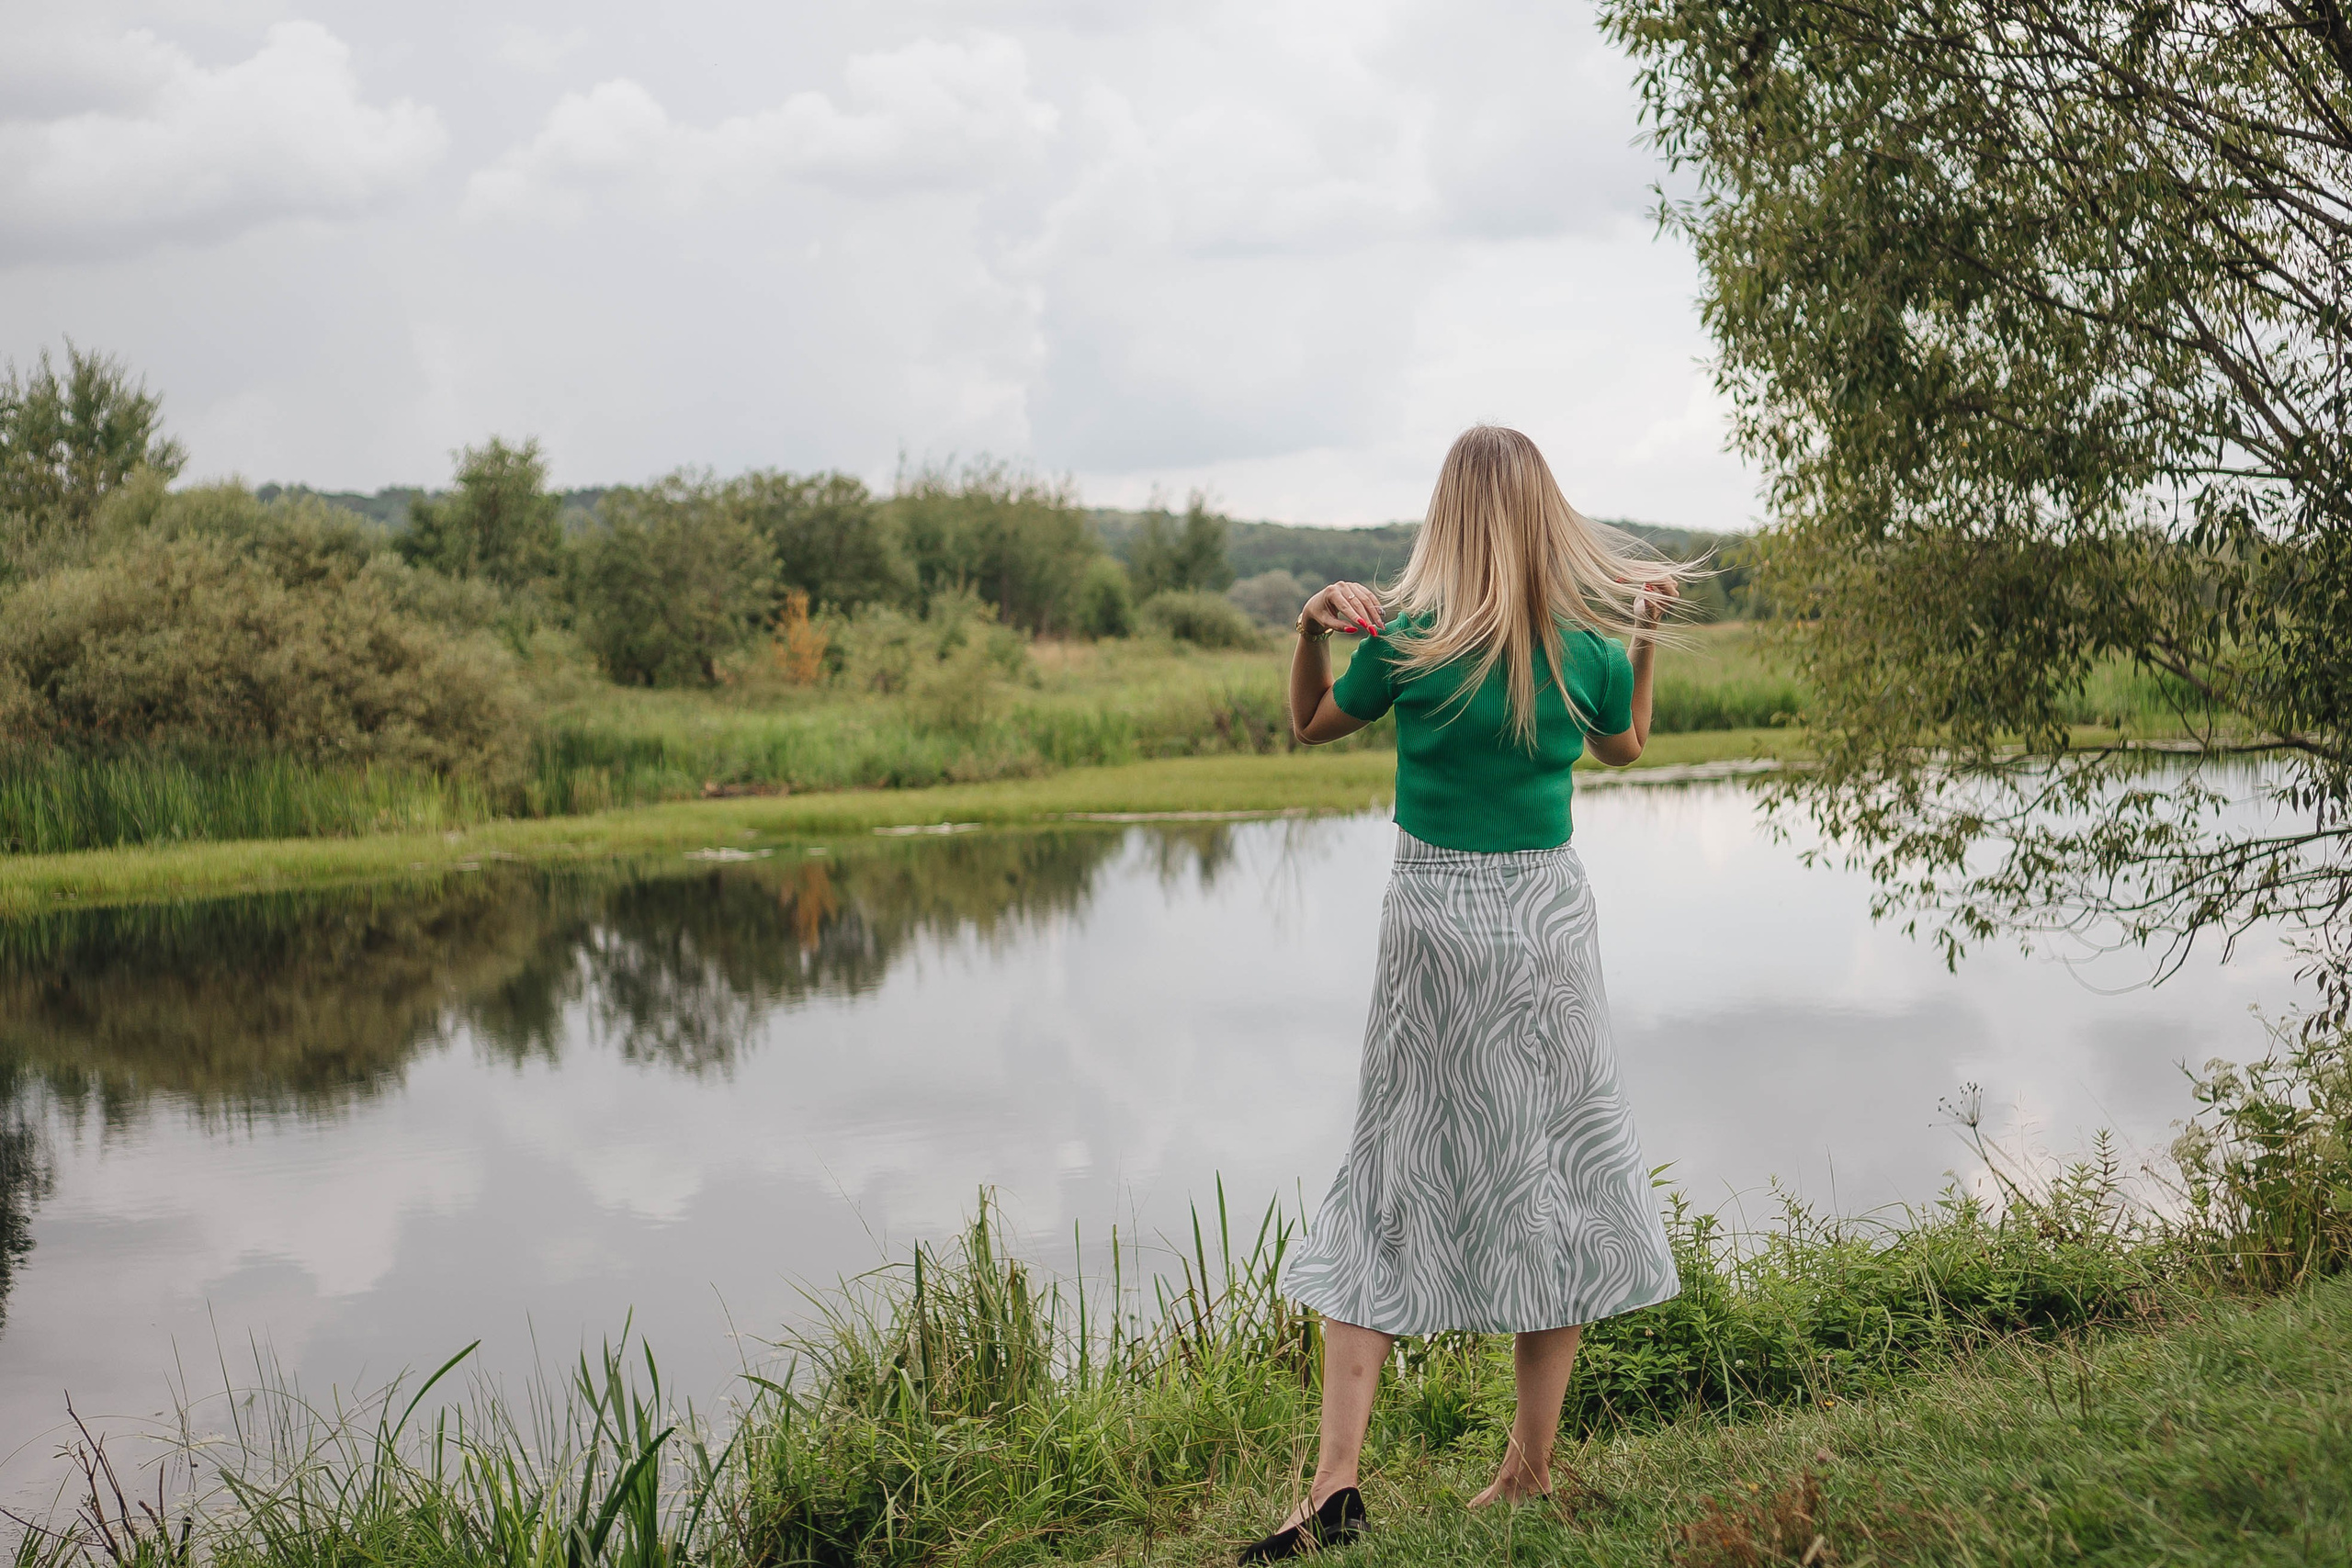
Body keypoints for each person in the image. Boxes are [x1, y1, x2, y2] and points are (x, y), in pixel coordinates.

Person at [1239, 425, 1689, 1562]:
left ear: (1446, 517)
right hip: (1544, 926)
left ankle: (1336, 1484)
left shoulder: (1409, 642)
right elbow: (1627, 747)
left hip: (1433, 923)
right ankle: (1525, 1470)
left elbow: (1306, 725)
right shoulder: (1580, 647)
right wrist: (1641, 637)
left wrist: (1304, 629)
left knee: (1389, 1174)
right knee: (1552, 1166)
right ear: (1547, 517)